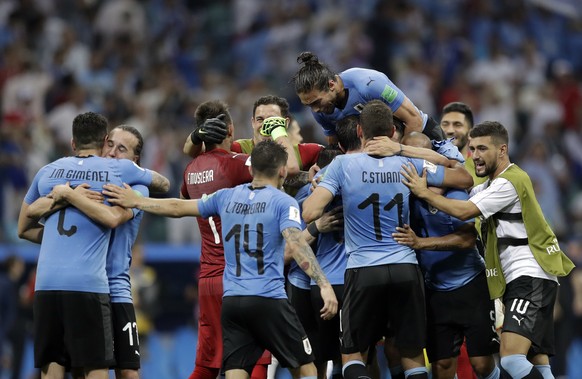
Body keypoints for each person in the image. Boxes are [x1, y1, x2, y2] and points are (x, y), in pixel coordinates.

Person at [103, 140, 339, 379]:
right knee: (307, 367)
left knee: (236, 374)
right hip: (269, 300)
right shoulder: (283, 202)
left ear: (250, 169)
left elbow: (177, 207)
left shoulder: (225, 197)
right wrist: (324, 284)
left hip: (233, 303)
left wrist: (137, 201)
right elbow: (297, 244)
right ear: (281, 171)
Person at [302, 100, 473, 379]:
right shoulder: (408, 163)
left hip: (362, 270)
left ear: (359, 131)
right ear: (393, 132)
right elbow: (464, 177)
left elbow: (310, 212)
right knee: (411, 354)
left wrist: (323, 184)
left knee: (354, 352)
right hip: (405, 266)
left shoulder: (342, 165)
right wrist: (406, 150)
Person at [400, 121, 575, 379]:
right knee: (539, 363)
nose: (476, 155)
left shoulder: (509, 182)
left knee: (513, 360)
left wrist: (423, 192)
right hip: (527, 279)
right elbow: (459, 178)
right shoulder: (489, 187)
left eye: (483, 148)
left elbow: (464, 210)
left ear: (502, 150)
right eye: (472, 149)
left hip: (528, 276)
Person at [16, 112, 166, 379]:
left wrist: (68, 194)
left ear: (135, 161)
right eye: (110, 145)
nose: (112, 153)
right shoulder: (100, 175)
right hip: (88, 288)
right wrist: (66, 196)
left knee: (128, 373)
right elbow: (30, 217)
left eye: (122, 149)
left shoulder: (135, 191)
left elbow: (117, 214)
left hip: (115, 290)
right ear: (102, 142)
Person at [393, 131, 500, 379]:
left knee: (482, 364)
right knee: (442, 368)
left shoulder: (457, 193)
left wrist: (420, 243)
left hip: (471, 286)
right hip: (434, 291)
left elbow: (466, 239)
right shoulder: (405, 198)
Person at [179, 100, 254, 379]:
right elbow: (281, 173)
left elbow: (185, 195)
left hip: (208, 277)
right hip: (239, 276)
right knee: (254, 358)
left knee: (207, 364)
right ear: (231, 129)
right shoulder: (237, 165)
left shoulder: (190, 170)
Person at [291, 51, 444, 145]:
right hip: (381, 150)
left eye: (316, 102)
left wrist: (396, 155)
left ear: (331, 85)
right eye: (309, 105)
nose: (315, 110)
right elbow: (336, 147)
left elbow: (414, 120)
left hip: (422, 136)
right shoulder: (319, 110)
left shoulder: (369, 84)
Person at [183, 95, 323, 186]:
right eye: (260, 119)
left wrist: (320, 174)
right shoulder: (238, 150)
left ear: (286, 123)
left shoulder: (307, 152)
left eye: (272, 120)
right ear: (252, 122)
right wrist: (197, 134)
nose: (265, 125)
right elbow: (192, 152)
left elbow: (338, 160)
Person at [440, 102, 486, 186]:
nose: (450, 130)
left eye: (457, 125)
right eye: (445, 124)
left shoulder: (482, 167)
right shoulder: (429, 161)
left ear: (470, 132)